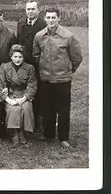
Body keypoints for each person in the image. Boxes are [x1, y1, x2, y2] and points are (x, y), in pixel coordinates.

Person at [33, 8, 83, 148]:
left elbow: (77, 57)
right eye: (48, 17)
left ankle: (63, 138)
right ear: (45, 19)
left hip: (63, 80)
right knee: (47, 108)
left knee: (63, 109)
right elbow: (36, 55)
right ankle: (49, 134)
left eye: (53, 17)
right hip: (46, 79)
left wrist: (67, 70)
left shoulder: (68, 36)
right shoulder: (39, 36)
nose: (51, 20)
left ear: (59, 18)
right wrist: (44, 69)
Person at [0, 44, 37, 145]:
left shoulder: (30, 68)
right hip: (10, 95)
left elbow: (32, 85)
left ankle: (22, 132)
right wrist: (7, 99)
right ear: (11, 56)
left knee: (26, 108)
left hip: (24, 95)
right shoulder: (4, 67)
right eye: (15, 56)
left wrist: (24, 99)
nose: (17, 59)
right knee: (13, 109)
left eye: (20, 57)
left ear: (23, 57)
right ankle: (14, 133)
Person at [16, 0, 46, 134]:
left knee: (38, 93)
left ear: (38, 10)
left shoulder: (43, 25)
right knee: (23, 90)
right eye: (28, 9)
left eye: (33, 9)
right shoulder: (21, 23)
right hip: (23, 63)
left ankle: (38, 124)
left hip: (38, 64)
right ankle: (23, 122)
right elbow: (18, 42)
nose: (30, 11)